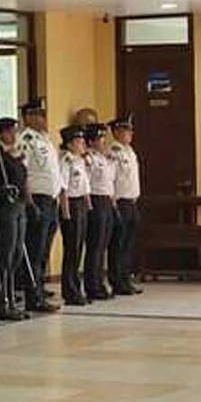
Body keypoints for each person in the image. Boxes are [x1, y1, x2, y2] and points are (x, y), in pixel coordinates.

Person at [20, 98, 62, 312]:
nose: (43, 119)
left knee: (44, 250)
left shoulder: (44, 139)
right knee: (35, 250)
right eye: (38, 115)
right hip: (37, 200)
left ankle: (39, 288)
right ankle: (32, 295)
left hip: (51, 199)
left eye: (43, 115)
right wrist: (29, 203)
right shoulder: (26, 140)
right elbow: (23, 173)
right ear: (28, 117)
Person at [0, 117, 31, 321]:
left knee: (15, 255)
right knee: (4, 256)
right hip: (6, 208)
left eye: (15, 131)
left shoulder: (15, 154)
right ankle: (2, 301)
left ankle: (11, 297)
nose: (14, 135)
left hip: (19, 206)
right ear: (0, 133)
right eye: (10, 132)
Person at [108, 115, 142, 296]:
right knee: (118, 243)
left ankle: (126, 278)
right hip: (120, 202)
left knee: (128, 244)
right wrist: (113, 203)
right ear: (117, 132)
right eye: (126, 130)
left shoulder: (129, 151)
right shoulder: (114, 152)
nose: (131, 133)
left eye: (130, 130)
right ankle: (117, 280)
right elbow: (111, 179)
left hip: (132, 201)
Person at [59, 125, 91, 306]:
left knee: (79, 249)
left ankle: (77, 288)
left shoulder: (80, 161)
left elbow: (84, 187)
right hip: (70, 205)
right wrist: (66, 213)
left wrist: (88, 205)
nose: (83, 144)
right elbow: (63, 189)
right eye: (79, 142)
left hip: (80, 205)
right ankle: (70, 291)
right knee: (71, 250)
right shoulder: (67, 161)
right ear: (70, 144)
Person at [85, 124, 117, 300]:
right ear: (91, 141)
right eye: (99, 138)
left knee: (103, 245)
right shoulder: (89, 158)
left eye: (104, 138)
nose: (103, 141)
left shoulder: (104, 158)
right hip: (95, 201)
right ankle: (92, 285)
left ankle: (100, 282)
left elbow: (110, 181)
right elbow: (86, 183)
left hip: (106, 200)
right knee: (95, 246)